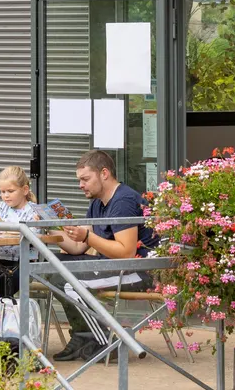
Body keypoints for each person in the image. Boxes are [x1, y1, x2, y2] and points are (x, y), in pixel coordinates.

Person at [47, 149, 157, 363]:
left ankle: (105, 341)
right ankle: (83, 336)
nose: (81, 185)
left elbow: (126, 253)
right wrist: (49, 225)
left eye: (85, 179)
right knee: (51, 264)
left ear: (104, 173)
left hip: (138, 271)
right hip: (110, 266)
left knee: (66, 281)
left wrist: (87, 236)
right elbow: (77, 248)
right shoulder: (98, 203)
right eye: (79, 180)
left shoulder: (123, 201)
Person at [0, 165, 54, 324]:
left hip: (24, 267)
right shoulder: (0, 208)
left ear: (25, 190)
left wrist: (4, 224)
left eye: (10, 191)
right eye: (2, 192)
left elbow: (33, 236)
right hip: (1, 265)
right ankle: (0, 335)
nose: (6, 196)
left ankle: (13, 337)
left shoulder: (34, 212)